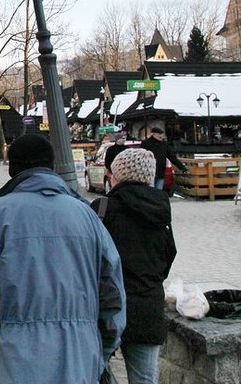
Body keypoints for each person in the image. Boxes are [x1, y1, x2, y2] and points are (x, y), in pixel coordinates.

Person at [0, 134, 125, 384]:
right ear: (51, 166)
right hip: (77, 356)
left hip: (6, 358)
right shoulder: (87, 216)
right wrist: (101, 347)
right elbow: (112, 292)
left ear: (12, 169)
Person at [92, 148, 177, 384]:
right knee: (144, 379)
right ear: (150, 176)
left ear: (115, 175)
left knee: (94, 374)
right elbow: (167, 257)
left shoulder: (102, 208)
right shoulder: (161, 211)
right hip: (147, 308)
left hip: (104, 308)